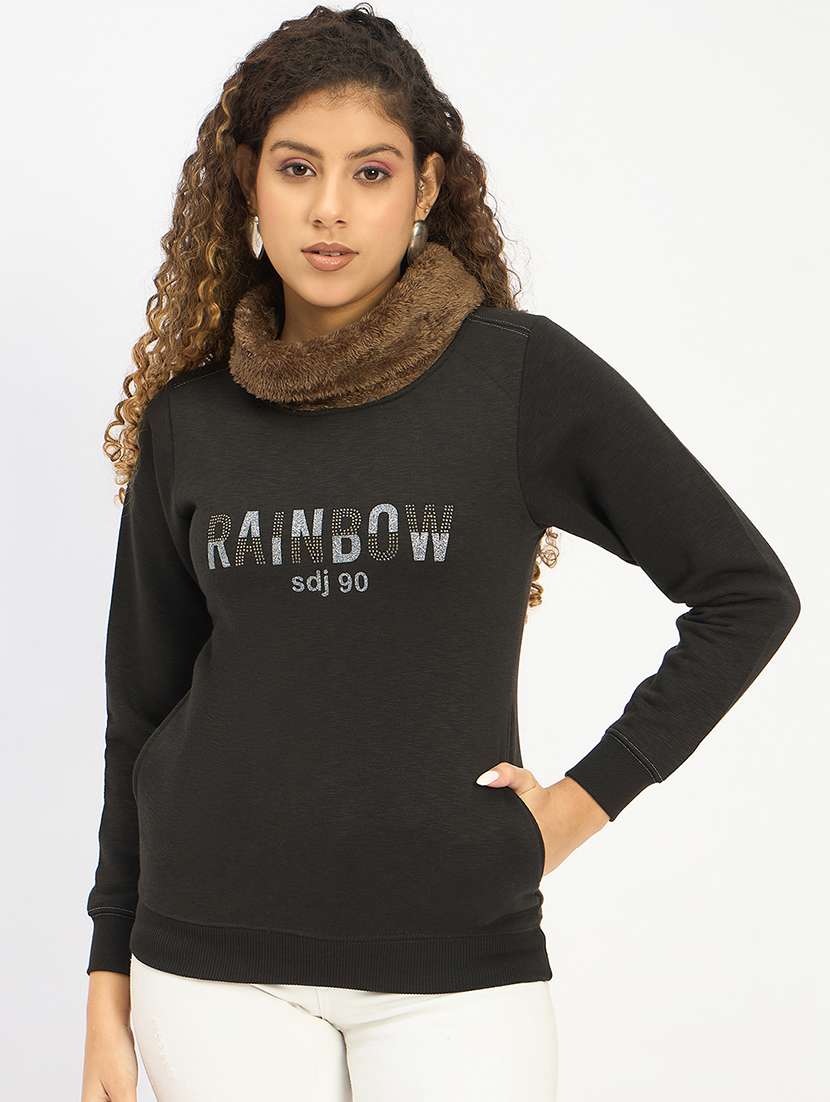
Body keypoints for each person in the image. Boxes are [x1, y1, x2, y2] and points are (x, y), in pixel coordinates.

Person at [80, 5, 801, 1101]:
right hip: (209, 956)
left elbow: (745, 592)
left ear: (423, 189)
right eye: (296, 168)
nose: (329, 208)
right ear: (247, 183)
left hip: (457, 958)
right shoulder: (192, 420)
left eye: (369, 173)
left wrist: (577, 806)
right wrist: (105, 979)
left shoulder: (515, 378)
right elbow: (140, 710)